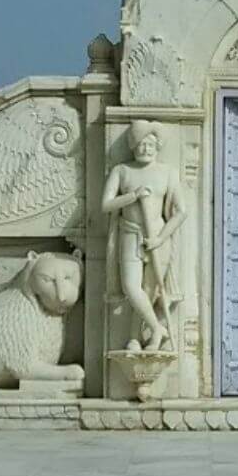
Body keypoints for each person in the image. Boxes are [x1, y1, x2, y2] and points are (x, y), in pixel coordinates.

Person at [102, 120, 187, 351]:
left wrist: (160, 238)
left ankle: (137, 338)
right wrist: (132, 196)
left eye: (149, 144)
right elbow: (106, 204)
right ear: (132, 146)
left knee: (150, 291)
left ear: (157, 146)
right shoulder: (122, 171)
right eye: (140, 144)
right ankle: (158, 329)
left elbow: (181, 212)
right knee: (131, 287)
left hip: (158, 237)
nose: (145, 148)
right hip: (130, 233)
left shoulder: (168, 173)